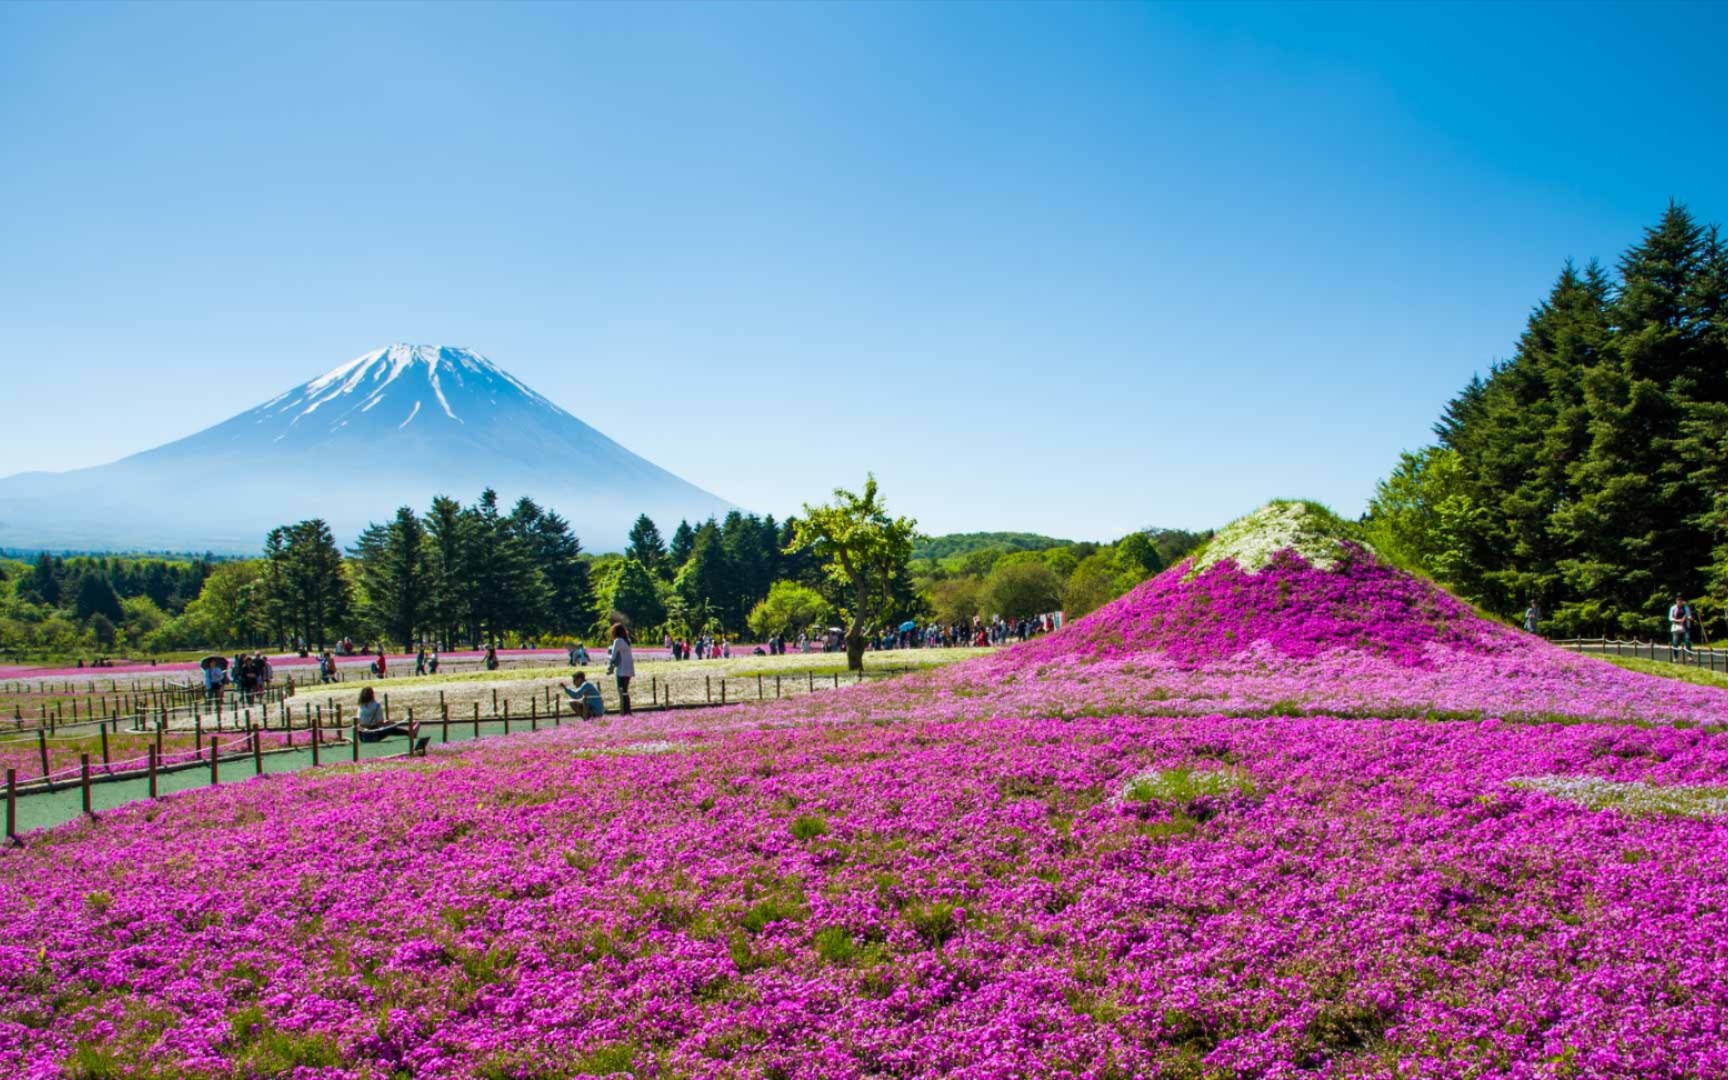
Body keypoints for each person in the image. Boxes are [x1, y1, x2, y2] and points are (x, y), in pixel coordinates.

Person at [607, 623, 635, 716]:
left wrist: (608, 653)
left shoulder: (618, 641)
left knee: (621, 691)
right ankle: (627, 711)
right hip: (629, 669)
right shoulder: (627, 641)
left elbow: (613, 656)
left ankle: (623, 712)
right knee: (625, 691)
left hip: (622, 669)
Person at [1670, 595, 1694, 660]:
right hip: (1676, 626)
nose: (1679, 601)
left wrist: (1688, 618)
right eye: (1678, 600)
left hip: (1685, 626)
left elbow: (1689, 616)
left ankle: (1689, 656)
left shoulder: (1686, 608)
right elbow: (1670, 618)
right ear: (1676, 601)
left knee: (1687, 640)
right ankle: (1675, 657)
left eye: (1681, 600)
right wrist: (1678, 620)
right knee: (1675, 642)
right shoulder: (1673, 608)